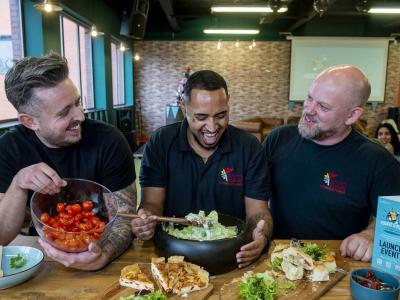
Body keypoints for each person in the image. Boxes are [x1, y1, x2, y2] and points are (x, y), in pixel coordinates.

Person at [0, 53, 136, 270]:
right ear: (30, 121)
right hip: (42, 258)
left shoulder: (110, 140)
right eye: (65, 112)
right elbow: (2, 237)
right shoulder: (8, 148)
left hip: (103, 253)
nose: (80, 116)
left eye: (78, 103)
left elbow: (124, 219)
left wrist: (103, 256)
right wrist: (18, 183)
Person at [131, 70, 272, 268]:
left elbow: (258, 212)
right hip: (171, 257)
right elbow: (152, 204)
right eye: (201, 117)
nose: (212, 128)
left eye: (221, 115)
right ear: (183, 106)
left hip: (231, 256)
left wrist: (262, 236)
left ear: (228, 103)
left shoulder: (249, 147)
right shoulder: (161, 142)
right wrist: (146, 220)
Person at [262, 65, 400, 262]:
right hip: (277, 258)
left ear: (352, 115)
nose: (308, 110)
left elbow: (395, 220)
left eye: (323, 107)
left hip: (335, 266)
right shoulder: (278, 139)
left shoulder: (378, 161)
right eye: (309, 98)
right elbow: (253, 194)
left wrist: (370, 235)